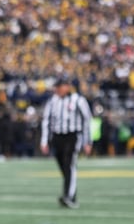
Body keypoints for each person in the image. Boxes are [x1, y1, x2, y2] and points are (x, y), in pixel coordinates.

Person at [39, 77, 93, 208]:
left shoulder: (78, 100)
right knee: (63, 165)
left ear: (67, 87)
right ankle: (70, 193)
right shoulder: (52, 101)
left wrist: (87, 141)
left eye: (60, 86)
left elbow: (87, 120)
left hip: (73, 136)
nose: (57, 89)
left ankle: (68, 196)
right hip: (57, 136)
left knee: (69, 164)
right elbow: (46, 120)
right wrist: (44, 140)